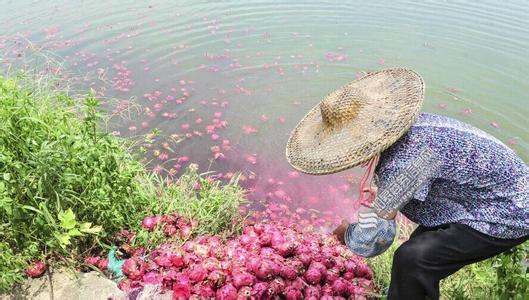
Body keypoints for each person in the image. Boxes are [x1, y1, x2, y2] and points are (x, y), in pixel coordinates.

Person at [285, 68, 529, 300]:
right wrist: (387, 194)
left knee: (413, 259)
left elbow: (372, 241)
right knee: (417, 253)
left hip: (508, 211)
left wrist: (347, 233)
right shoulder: (413, 128)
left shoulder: (403, 163)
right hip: (488, 193)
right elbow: (428, 168)